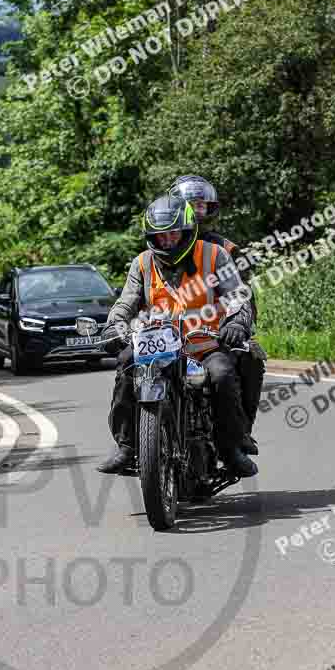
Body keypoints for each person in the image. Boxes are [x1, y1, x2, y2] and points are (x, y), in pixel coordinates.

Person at [97, 194, 258, 478]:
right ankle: (126, 446)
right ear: (152, 238)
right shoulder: (143, 263)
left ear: (186, 231)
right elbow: (126, 302)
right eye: (161, 236)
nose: (168, 241)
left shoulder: (213, 254)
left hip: (204, 343)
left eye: (173, 234)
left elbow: (238, 296)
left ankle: (230, 448)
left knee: (222, 375)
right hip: (155, 346)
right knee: (125, 366)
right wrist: (114, 326)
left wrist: (236, 323)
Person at [169, 175, 267, 453]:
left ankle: (239, 435)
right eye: (190, 205)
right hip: (169, 335)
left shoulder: (226, 249)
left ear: (210, 209)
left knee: (249, 358)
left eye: (202, 206)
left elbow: (243, 294)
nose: (196, 211)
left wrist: (239, 323)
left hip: (214, 333)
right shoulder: (161, 244)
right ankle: (136, 441)